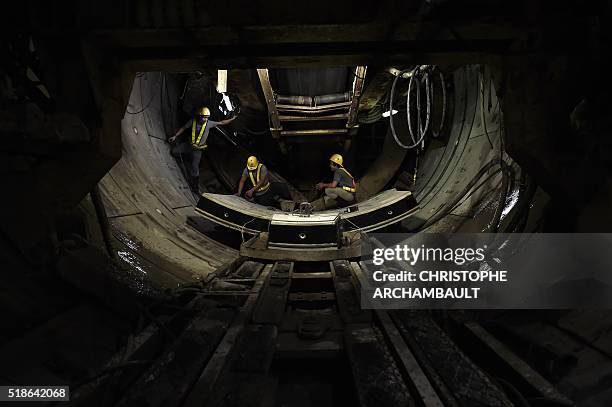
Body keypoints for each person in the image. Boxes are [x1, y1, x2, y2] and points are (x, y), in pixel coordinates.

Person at [169, 106, 237, 194]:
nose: (205, 119)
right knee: (174, 151)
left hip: (197, 150)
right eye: (204, 117)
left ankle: (195, 187)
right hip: (189, 146)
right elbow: (184, 128)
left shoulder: (209, 123)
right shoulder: (193, 121)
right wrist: (175, 136)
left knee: (195, 169)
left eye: (207, 117)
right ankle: (187, 157)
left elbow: (222, 122)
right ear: (199, 116)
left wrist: (233, 118)